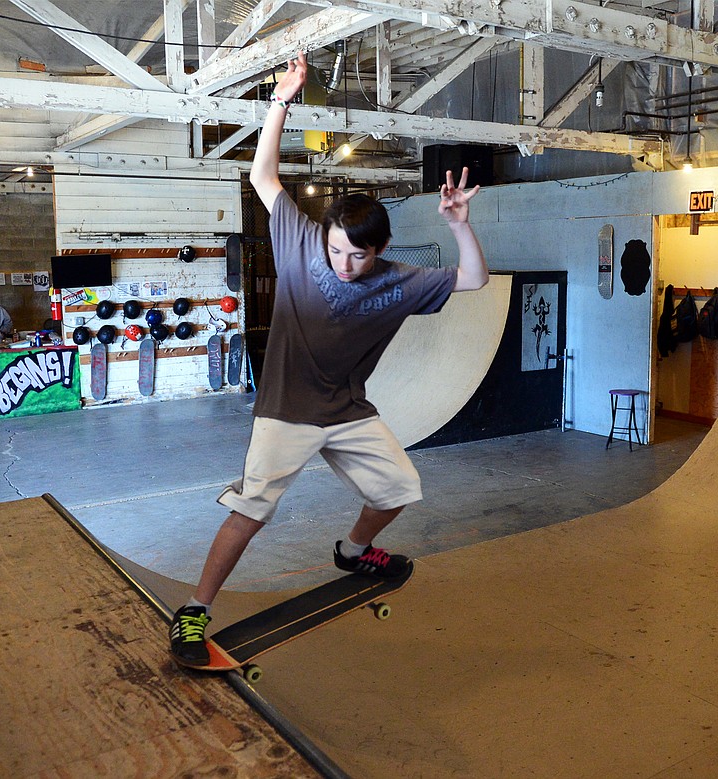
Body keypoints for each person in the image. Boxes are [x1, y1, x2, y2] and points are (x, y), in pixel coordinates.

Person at [168, 51, 489, 666]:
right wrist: (281, 102)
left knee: (400, 487)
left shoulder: (399, 280)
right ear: (326, 235)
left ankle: (353, 548)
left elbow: (473, 279)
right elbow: (265, 179)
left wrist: (458, 224)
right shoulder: (297, 238)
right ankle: (195, 611)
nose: (344, 266)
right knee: (253, 509)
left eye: (358, 258)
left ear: (383, 250)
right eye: (337, 251)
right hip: (286, 410)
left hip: (347, 410)